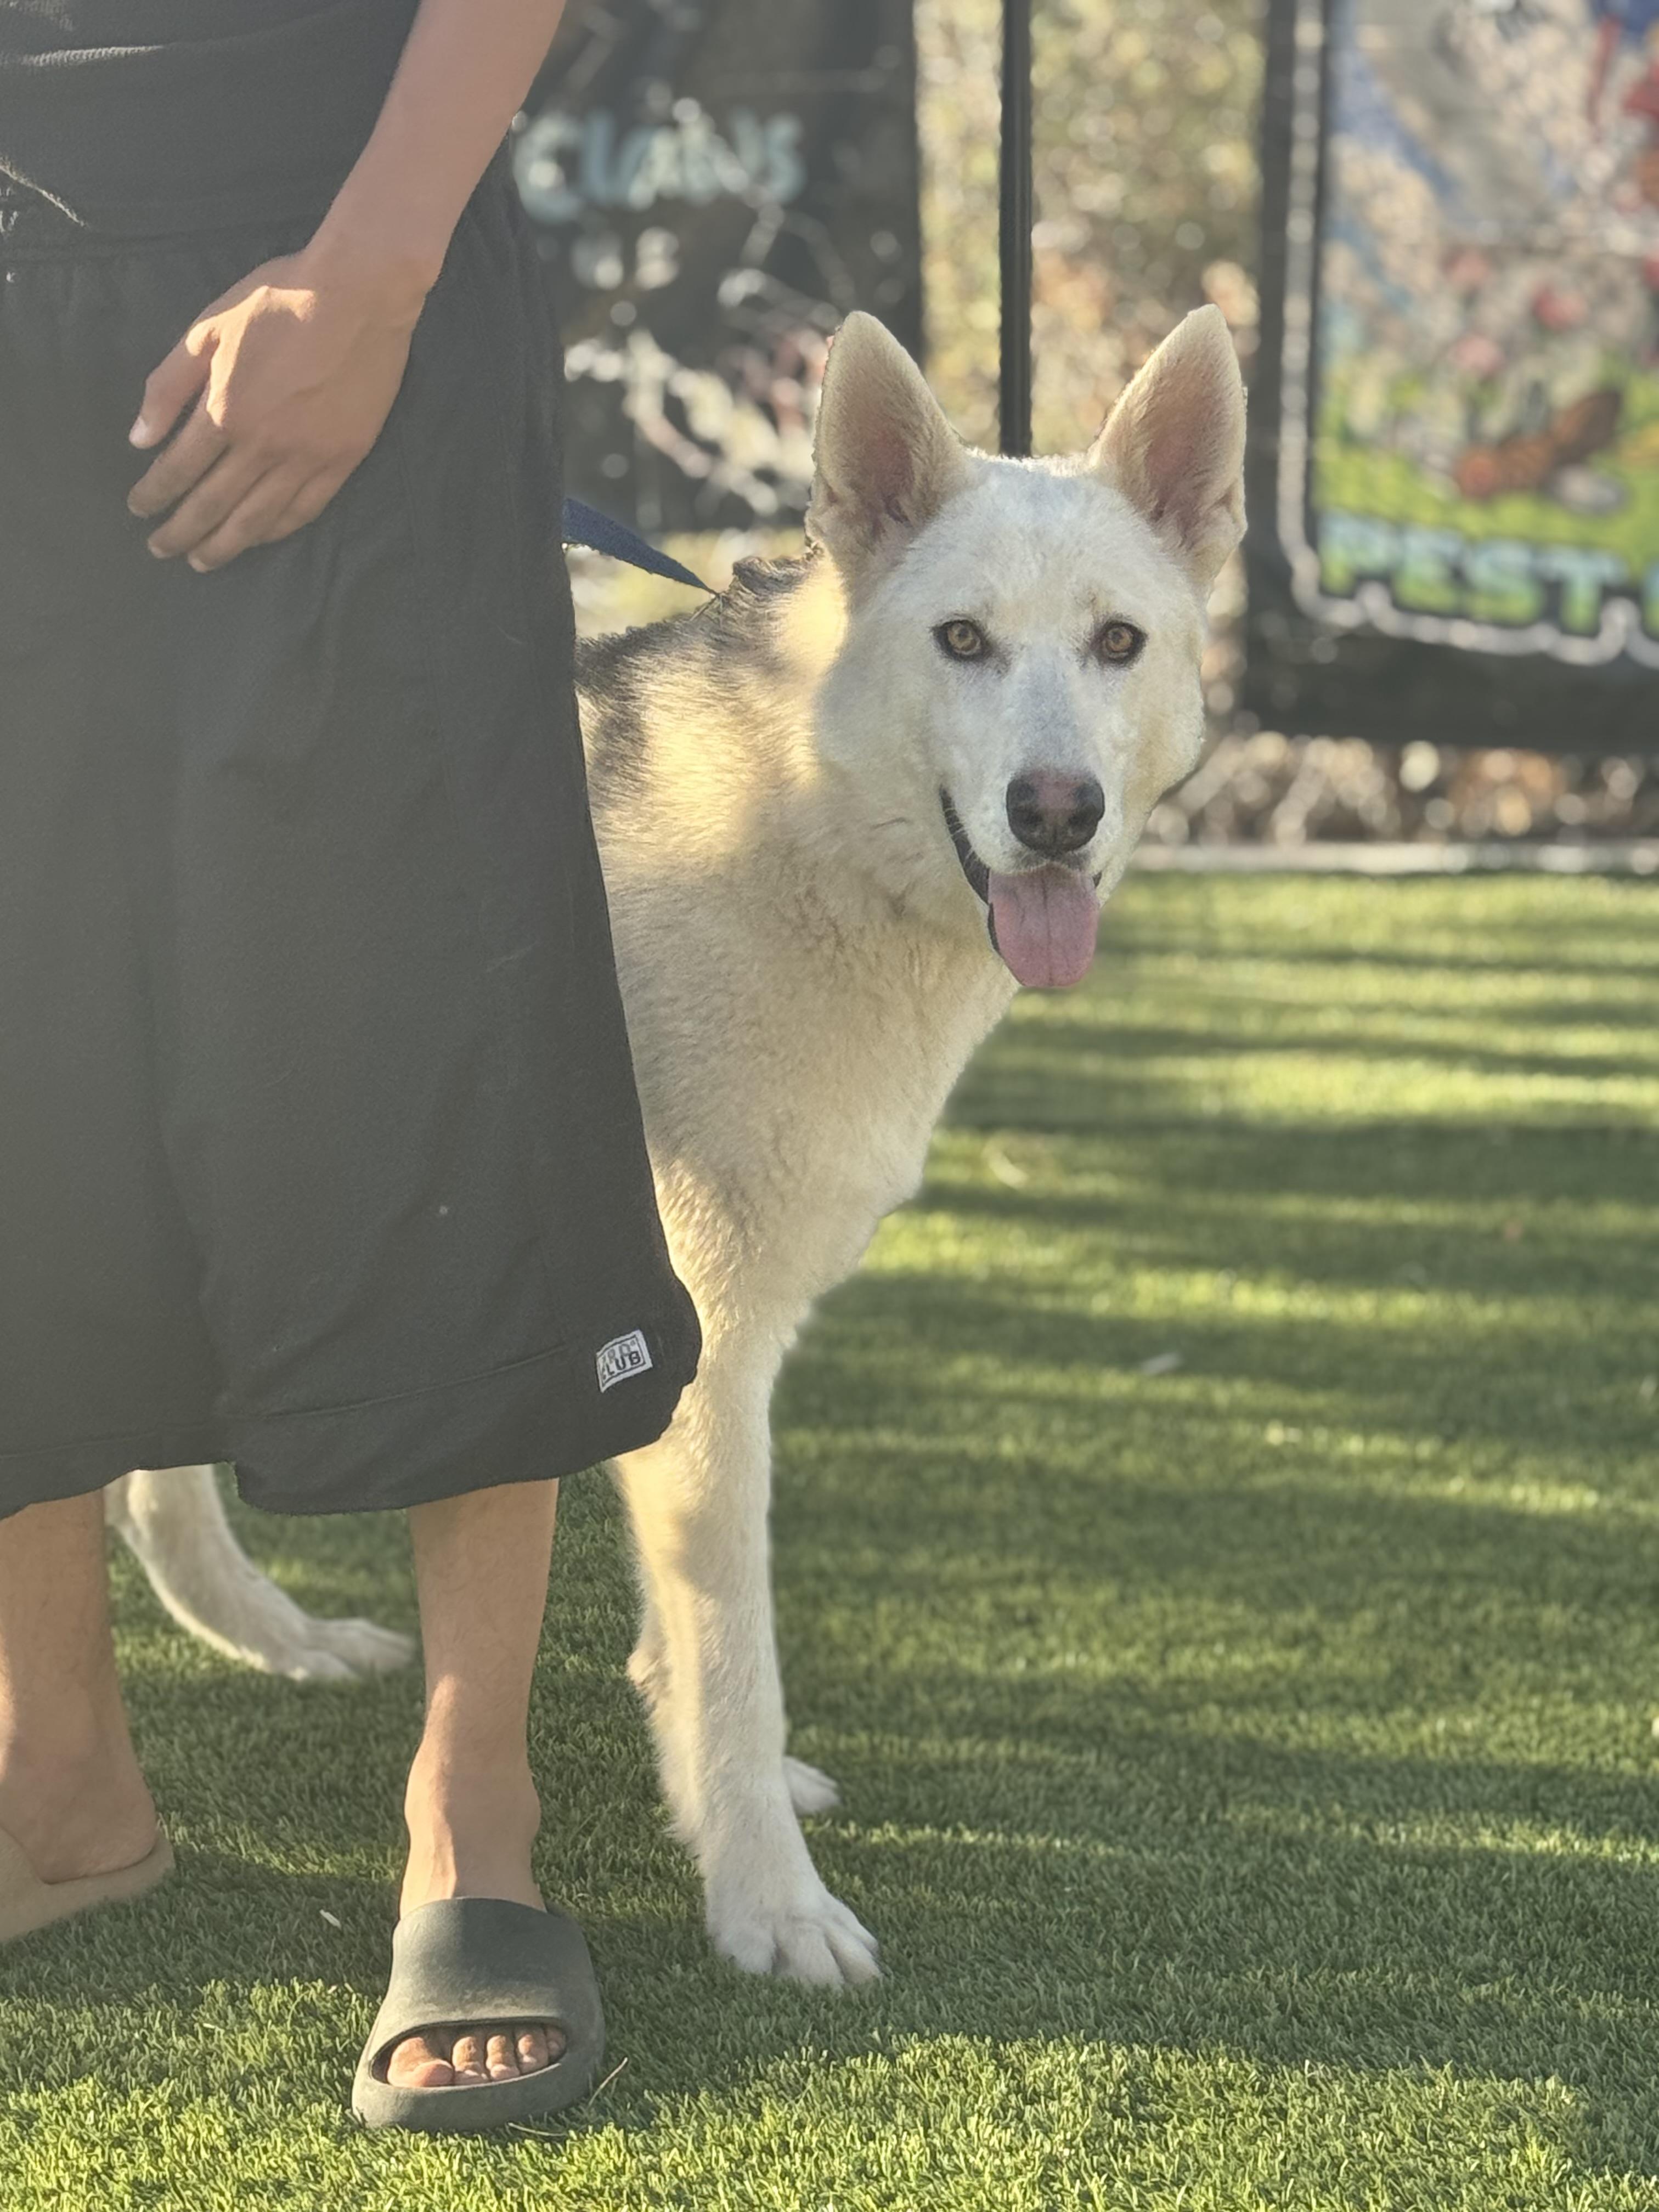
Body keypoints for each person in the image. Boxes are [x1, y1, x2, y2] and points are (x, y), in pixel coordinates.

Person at [0, 0, 702, 2134]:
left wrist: (379, 259)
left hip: (331, 238)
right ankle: (52, 1781)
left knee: (416, 1017)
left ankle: (476, 1813)